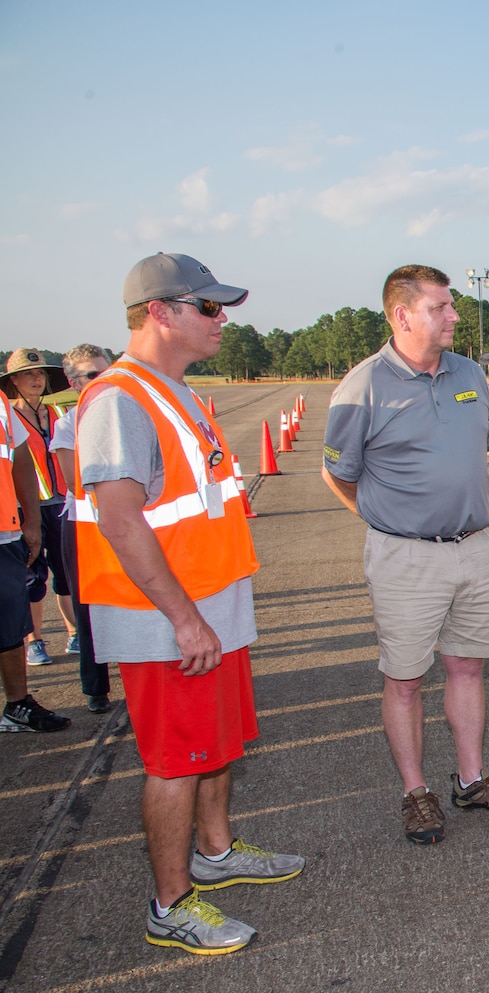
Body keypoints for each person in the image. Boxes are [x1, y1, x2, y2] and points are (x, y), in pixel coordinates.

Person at [77, 252, 303, 954]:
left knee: (214, 746)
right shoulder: (121, 399)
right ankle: (170, 903)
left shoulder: (173, 391)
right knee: (175, 760)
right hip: (168, 620)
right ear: (159, 313)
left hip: (209, 606)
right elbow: (120, 519)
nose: (221, 319)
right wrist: (183, 617)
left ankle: (215, 850)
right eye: (207, 307)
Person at [323, 264, 489, 844]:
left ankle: (470, 779)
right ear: (403, 314)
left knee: (467, 665)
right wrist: (383, 520)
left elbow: (471, 452)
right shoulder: (363, 386)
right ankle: (416, 793)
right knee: (406, 678)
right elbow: (336, 473)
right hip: (406, 559)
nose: (454, 316)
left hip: (476, 548)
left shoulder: (468, 372)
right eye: (441, 306)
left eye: (453, 305)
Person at [50, 344, 114, 714]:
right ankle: (95, 686)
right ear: (75, 383)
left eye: (105, 370)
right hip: (86, 527)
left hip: (132, 522)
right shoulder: (67, 424)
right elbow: (76, 483)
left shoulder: (129, 412)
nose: (101, 379)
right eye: (91, 375)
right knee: (88, 608)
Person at [2, 349, 77, 666]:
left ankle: (74, 632)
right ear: (14, 382)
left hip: (61, 504)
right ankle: (35, 640)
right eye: (27, 374)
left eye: (40, 374)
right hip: (26, 508)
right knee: (33, 578)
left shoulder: (61, 413)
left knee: (66, 572)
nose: (35, 379)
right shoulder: (9, 419)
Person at [0, 361, 62, 734]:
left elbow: (20, 461)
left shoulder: (1, 408)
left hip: (5, 532)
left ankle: (18, 704)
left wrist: (32, 523)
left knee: (10, 622)